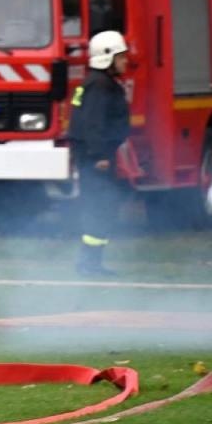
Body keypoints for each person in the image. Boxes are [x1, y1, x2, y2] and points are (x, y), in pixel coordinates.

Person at [68, 30, 131, 276]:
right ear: (107, 57)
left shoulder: (97, 83)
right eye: (121, 56)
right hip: (95, 158)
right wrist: (99, 155)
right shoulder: (100, 85)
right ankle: (88, 263)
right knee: (99, 206)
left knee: (104, 205)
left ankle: (92, 262)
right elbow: (93, 123)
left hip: (96, 156)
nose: (125, 61)